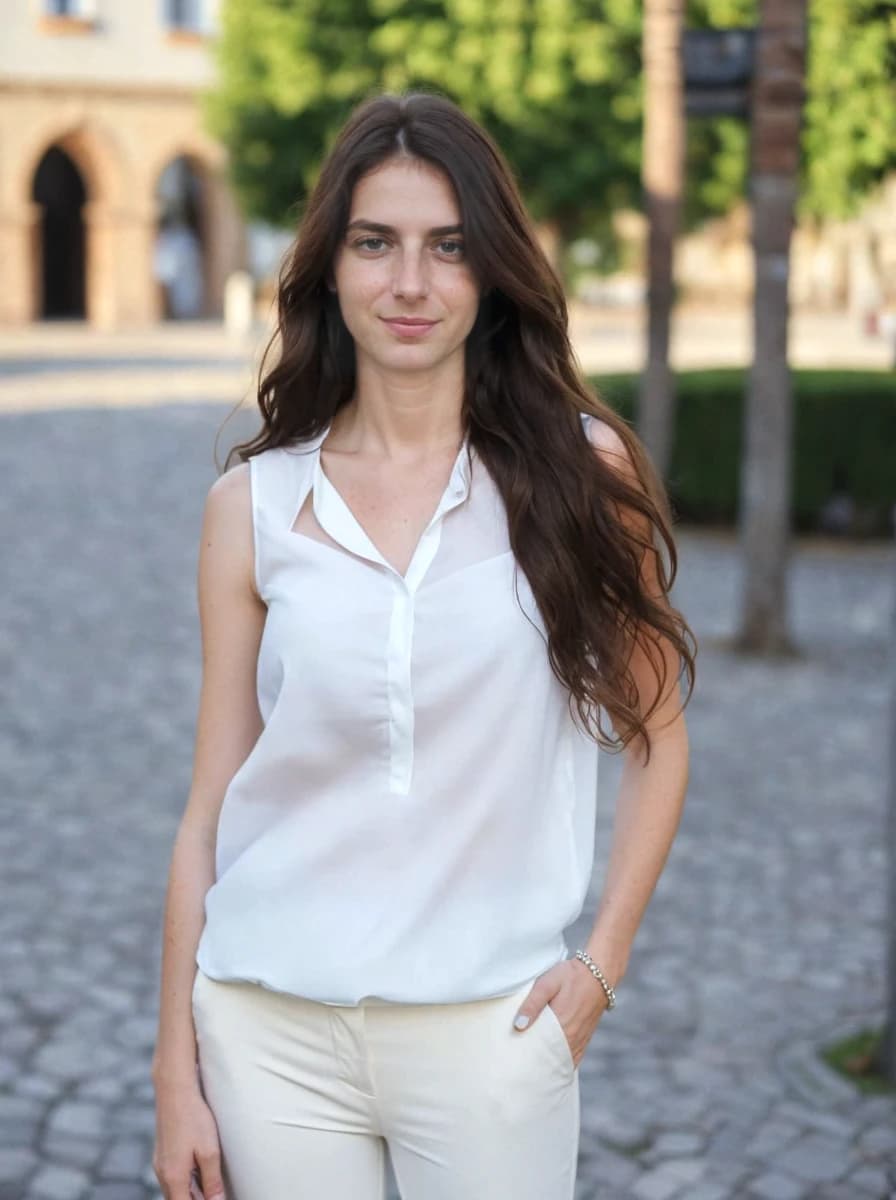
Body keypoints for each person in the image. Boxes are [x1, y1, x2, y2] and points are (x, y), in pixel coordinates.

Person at [151, 90, 696, 1200]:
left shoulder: (580, 475)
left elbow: (658, 737)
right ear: (328, 269)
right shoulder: (252, 508)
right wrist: (176, 1071)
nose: (409, 284)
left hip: (489, 1031)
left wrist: (601, 964)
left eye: (448, 248)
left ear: (491, 272)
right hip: (269, 1026)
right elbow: (212, 801)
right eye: (374, 244)